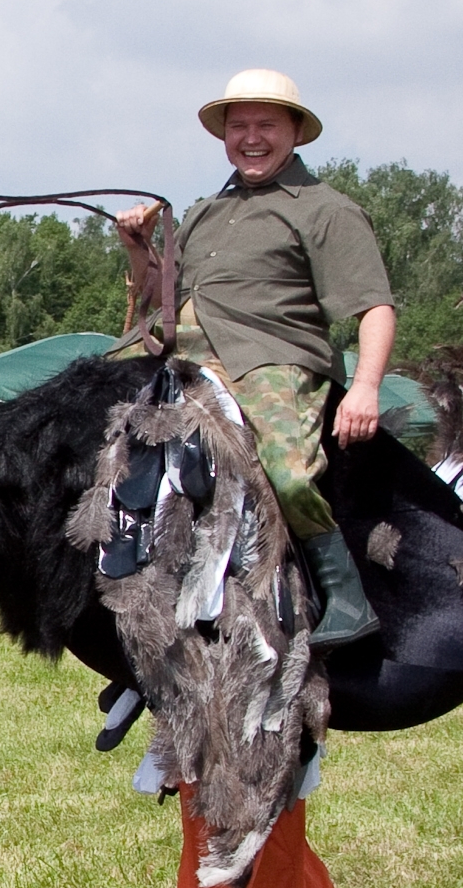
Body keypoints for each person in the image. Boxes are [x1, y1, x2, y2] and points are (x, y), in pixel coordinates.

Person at [115, 69, 398, 649]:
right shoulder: (204, 212)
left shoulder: (327, 210)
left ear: (295, 131)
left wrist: (366, 387)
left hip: (266, 358)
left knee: (287, 472)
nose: (250, 138)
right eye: (238, 126)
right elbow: (157, 297)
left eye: (266, 124)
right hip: (179, 352)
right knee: (71, 409)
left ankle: (345, 594)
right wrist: (138, 248)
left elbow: (374, 305)